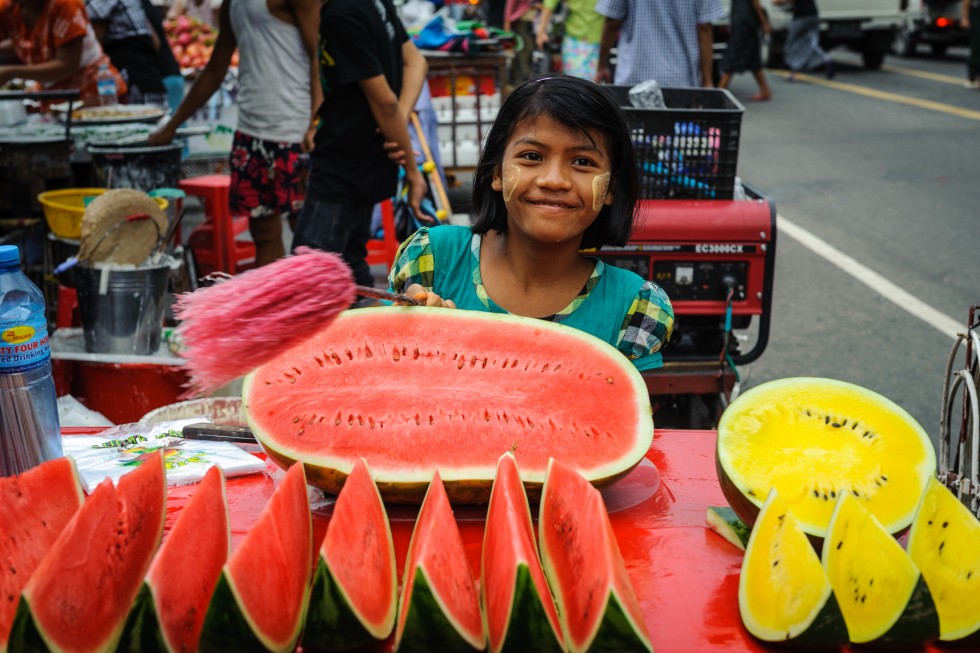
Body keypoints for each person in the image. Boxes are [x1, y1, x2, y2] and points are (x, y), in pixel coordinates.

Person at [388, 76, 674, 372]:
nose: (554, 180)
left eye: (583, 162)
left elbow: (631, 413)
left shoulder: (635, 307)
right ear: (496, 172)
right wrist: (406, 332)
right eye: (532, 156)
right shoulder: (432, 258)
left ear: (611, 189)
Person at [149, 0, 321, 267]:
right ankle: (272, 305)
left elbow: (318, 55)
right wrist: (171, 126)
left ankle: (316, 305)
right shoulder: (233, 4)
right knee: (263, 235)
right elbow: (216, 69)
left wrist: (315, 121)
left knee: (310, 239)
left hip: (294, 132)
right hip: (250, 134)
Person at [293, 0, 429, 290]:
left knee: (306, 282)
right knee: (351, 272)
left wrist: (413, 172)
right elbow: (415, 64)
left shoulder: (341, 13)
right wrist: (394, 125)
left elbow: (387, 103)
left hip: (344, 165)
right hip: (365, 162)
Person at [0, 0, 126, 106]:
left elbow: (67, 66)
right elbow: (30, 40)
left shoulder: (65, 4)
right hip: (53, 98)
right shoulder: (11, 7)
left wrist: (11, 73)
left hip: (92, 96)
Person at [595, 0, 725, 88]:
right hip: (681, 80)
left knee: (631, 125)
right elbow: (704, 28)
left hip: (634, 76)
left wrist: (601, 66)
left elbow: (612, 21)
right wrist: (707, 81)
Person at [85, 0, 168, 104]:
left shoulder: (102, 3)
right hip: (152, 81)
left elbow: (94, 48)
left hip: (131, 86)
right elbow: (156, 44)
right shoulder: (134, 2)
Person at [535, 0, 605, 80]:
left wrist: (541, 32)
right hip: (594, 38)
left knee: (574, 82)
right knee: (590, 83)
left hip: (577, 40)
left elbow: (549, 4)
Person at [718, 0, 772, 101]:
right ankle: (765, 90)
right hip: (746, 22)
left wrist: (764, 22)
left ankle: (718, 94)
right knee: (752, 58)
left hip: (744, 23)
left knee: (732, 58)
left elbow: (755, 2)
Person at [140, 0, 183, 111]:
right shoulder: (143, 4)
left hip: (163, 76)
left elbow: (156, 43)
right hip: (170, 74)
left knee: (170, 125)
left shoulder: (136, 7)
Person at [776, 0, 834, 81]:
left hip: (801, 17)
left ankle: (794, 72)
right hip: (813, 15)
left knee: (792, 44)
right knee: (812, 43)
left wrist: (782, 2)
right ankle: (826, 59)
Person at [964, 0, 980, 88]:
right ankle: (973, 77)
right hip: (976, 15)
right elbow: (966, 2)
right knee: (976, 47)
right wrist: (965, 18)